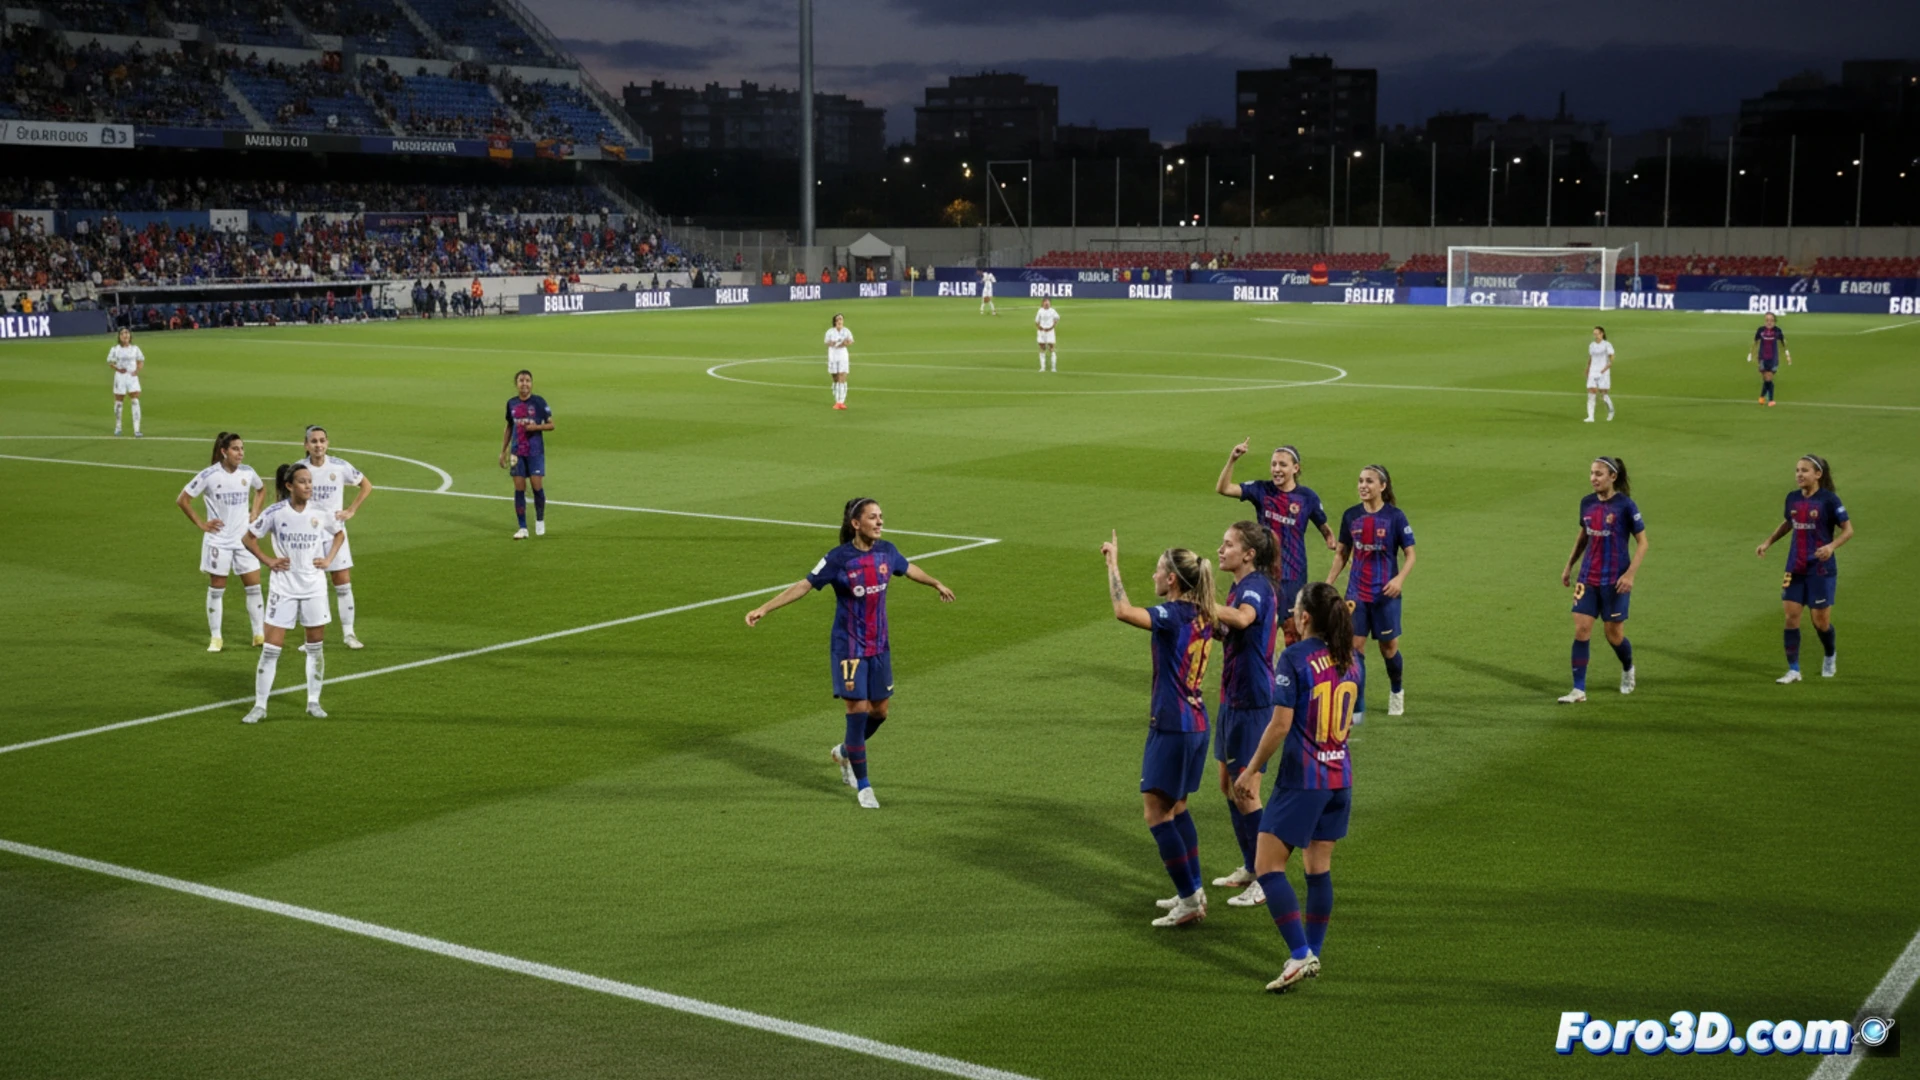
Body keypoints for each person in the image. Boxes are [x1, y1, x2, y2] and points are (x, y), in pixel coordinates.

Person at [745, 499, 955, 809]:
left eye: (881, 516)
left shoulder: (887, 551)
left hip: (879, 646)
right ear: (856, 523)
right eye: (873, 517)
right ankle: (865, 786)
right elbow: (804, 585)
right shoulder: (838, 558)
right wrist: (764, 608)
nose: (880, 522)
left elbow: (909, 569)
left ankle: (845, 753)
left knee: (880, 712)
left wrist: (935, 582)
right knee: (857, 713)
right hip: (849, 649)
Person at [1233, 582, 1362, 993]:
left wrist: (1252, 769)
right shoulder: (1352, 659)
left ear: (1305, 617)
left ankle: (1300, 953)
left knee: (1268, 866)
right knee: (1317, 870)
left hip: (1303, 779)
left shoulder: (1294, 657)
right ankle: (1312, 951)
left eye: (1294, 608)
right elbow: (1353, 718)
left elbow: (1281, 724)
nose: (1290, 611)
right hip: (1340, 777)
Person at [1102, 531, 1217, 928]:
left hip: (1173, 725)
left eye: (1158, 569)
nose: (1153, 574)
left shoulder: (1173, 616)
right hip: (1197, 722)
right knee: (1178, 807)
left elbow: (1123, 611)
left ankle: (1188, 900)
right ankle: (1194, 888)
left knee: (1155, 812)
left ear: (1172, 580)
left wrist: (1112, 565)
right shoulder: (1204, 614)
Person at [1209, 521, 1282, 907]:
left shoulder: (1253, 586)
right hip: (1232, 696)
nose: (1221, 550)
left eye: (1228, 544)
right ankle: (1252, 866)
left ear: (1249, 554)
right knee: (1227, 783)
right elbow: (1233, 629)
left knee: (1246, 789)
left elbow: (1242, 619)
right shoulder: (1240, 586)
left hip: (1252, 699)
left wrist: (1203, 603)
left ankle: (1267, 878)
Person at [239, 462, 346, 724]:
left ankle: (313, 702)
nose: (309, 485)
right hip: (283, 589)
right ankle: (260, 706)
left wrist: (329, 558)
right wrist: (268, 560)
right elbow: (248, 538)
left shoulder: (320, 511)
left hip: (314, 588)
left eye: (310, 481)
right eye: (302, 481)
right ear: (289, 486)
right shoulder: (276, 512)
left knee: (315, 648)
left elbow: (339, 534)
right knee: (271, 649)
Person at [1217, 441, 1333, 639]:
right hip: (1261, 572)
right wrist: (1233, 458)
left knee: (1292, 631)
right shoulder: (1262, 490)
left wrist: (1332, 542)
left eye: (1282, 465)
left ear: (1295, 468)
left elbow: (1324, 527)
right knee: (1250, 628)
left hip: (1293, 575)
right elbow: (1224, 488)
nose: (1276, 469)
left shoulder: (1307, 498)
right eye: (1273, 464)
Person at [1325, 466, 1415, 721]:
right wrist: (1329, 583)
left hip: (1386, 594)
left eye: (1369, 481)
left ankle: (1396, 691)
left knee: (1388, 648)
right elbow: (1342, 553)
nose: (1363, 485)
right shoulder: (1351, 516)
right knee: (1354, 648)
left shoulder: (1395, 517)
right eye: (1360, 481)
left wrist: (1400, 579)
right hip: (1357, 594)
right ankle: (1358, 706)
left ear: (1382, 486)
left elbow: (1411, 554)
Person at [1557, 457, 1646, 702]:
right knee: (1581, 629)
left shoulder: (1626, 506)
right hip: (1588, 578)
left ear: (1612, 477)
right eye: (1592, 473)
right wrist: (1569, 566)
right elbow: (1583, 537)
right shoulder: (1587, 503)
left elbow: (1643, 543)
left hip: (1615, 581)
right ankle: (1578, 689)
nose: (1593, 478)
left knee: (1613, 635)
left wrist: (1630, 575)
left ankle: (1628, 668)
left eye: (1599, 474)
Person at [1756, 454, 1851, 683]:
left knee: (1820, 622)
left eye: (1805, 470)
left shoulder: (1829, 500)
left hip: (1821, 569)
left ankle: (1829, 655)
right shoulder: (1792, 498)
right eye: (1797, 470)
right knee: (1791, 617)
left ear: (1818, 474)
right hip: (1795, 567)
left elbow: (1848, 530)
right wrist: (1767, 542)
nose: (1799, 474)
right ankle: (1794, 670)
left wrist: (1831, 546)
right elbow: (1789, 522)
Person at [175, 432, 267, 652]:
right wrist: (201, 524)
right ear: (224, 451)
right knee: (217, 588)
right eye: (236, 449)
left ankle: (259, 634)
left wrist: (255, 512)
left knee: (254, 587)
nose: (240, 453)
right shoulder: (209, 475)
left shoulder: (248, 472)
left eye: (242, 448)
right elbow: (183, 499)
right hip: (219, 541)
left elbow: (261, 489)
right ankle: (216, 638)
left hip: (244, 540)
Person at [301, 425, 373, 649]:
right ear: (306, 445)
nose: (318, 445)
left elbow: (366, 485)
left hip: (335, 534)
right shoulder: (299, 470)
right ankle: (311, 639)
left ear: (327, 443)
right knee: (311, 587)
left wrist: (351, 510)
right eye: (314, 441)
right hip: (310, 537)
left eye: (322, 440)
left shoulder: (339, 466)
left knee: (342, 583)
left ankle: (349, 634)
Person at [498, 370, 554, 539]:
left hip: (535, 451)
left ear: (531, 384)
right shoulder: (511, 403)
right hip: (517, 452)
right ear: (516, 384)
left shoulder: (539, 402)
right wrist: (503, 451)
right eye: (521, 380)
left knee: (537, 486)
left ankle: (540, 519)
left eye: (527, 380)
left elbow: (551, 425)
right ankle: (522, 527)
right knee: (519, 488)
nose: (524, 383)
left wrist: (535, 427)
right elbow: (509, 426)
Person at [106, 328, 145, 437]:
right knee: (119, 402)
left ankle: (137, 429)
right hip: (120, 377)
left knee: (135, 401)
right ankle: (118, 427)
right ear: (119, 336)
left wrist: (137, 371)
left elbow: (141, 360)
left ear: (130, 336)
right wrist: (117, 369)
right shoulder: (115, 349)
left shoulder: (135, 349)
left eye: (127, 333)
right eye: (122, 333)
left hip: (132, 377)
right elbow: (110, 361)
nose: (125, 335)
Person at [1747, 311, 1791, 407]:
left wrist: (1788, 355)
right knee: (1765, 379)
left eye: (1771, 320)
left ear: (1774, 321)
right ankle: (1762, 397)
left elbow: (1783, 343)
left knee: (1768, 377)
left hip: (1773, 358)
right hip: (1762, 358)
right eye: (1767, 320)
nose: (1769, 322)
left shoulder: (1777, 331)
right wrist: (1750, 353)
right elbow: (1755, 342)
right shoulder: (1760, 330)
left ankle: (1770, 400)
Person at [1584, 326, 1615, 422]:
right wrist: (1588, 368)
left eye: (1597, 333)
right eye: (1594, 333)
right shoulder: (1592, 345)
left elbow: (1611, 356)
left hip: (1603, 371)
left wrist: (1609, 364)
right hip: (1593, 371)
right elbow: (1591, 357)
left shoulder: (1607, 344)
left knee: (1603, 394)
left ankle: (1611, 411)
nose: (1595, 335)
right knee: (1591, 392)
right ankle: (1591, 417)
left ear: (1602, 334)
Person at [824, 313, 853, 410]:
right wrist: (831, 343)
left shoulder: (846, 331)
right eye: (838, 319)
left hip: (843, 356)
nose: (840, 321)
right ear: (835, 322)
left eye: (841, 319)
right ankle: (836, 397)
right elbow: (826, 342)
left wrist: (846, 343)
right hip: (833, 356)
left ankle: (840, 401)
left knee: (842, 376)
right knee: (835, 378)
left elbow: (851, 341)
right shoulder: (830, 332)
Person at [1034, 298, 1060, 372]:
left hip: (1050, 332)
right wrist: (1039, 328)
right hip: (1042, 332)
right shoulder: (1040, 311)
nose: (1047, 304)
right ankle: (1042, 367)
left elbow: (1057, 318)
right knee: (1042, 348)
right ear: (1042, 304)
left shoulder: (1053, 311)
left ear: (1050, 304)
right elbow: (1036, 321)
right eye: (1045, 303)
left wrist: (1052, 326)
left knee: (1051, 348)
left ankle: (1053, 368)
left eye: (1048, 303)